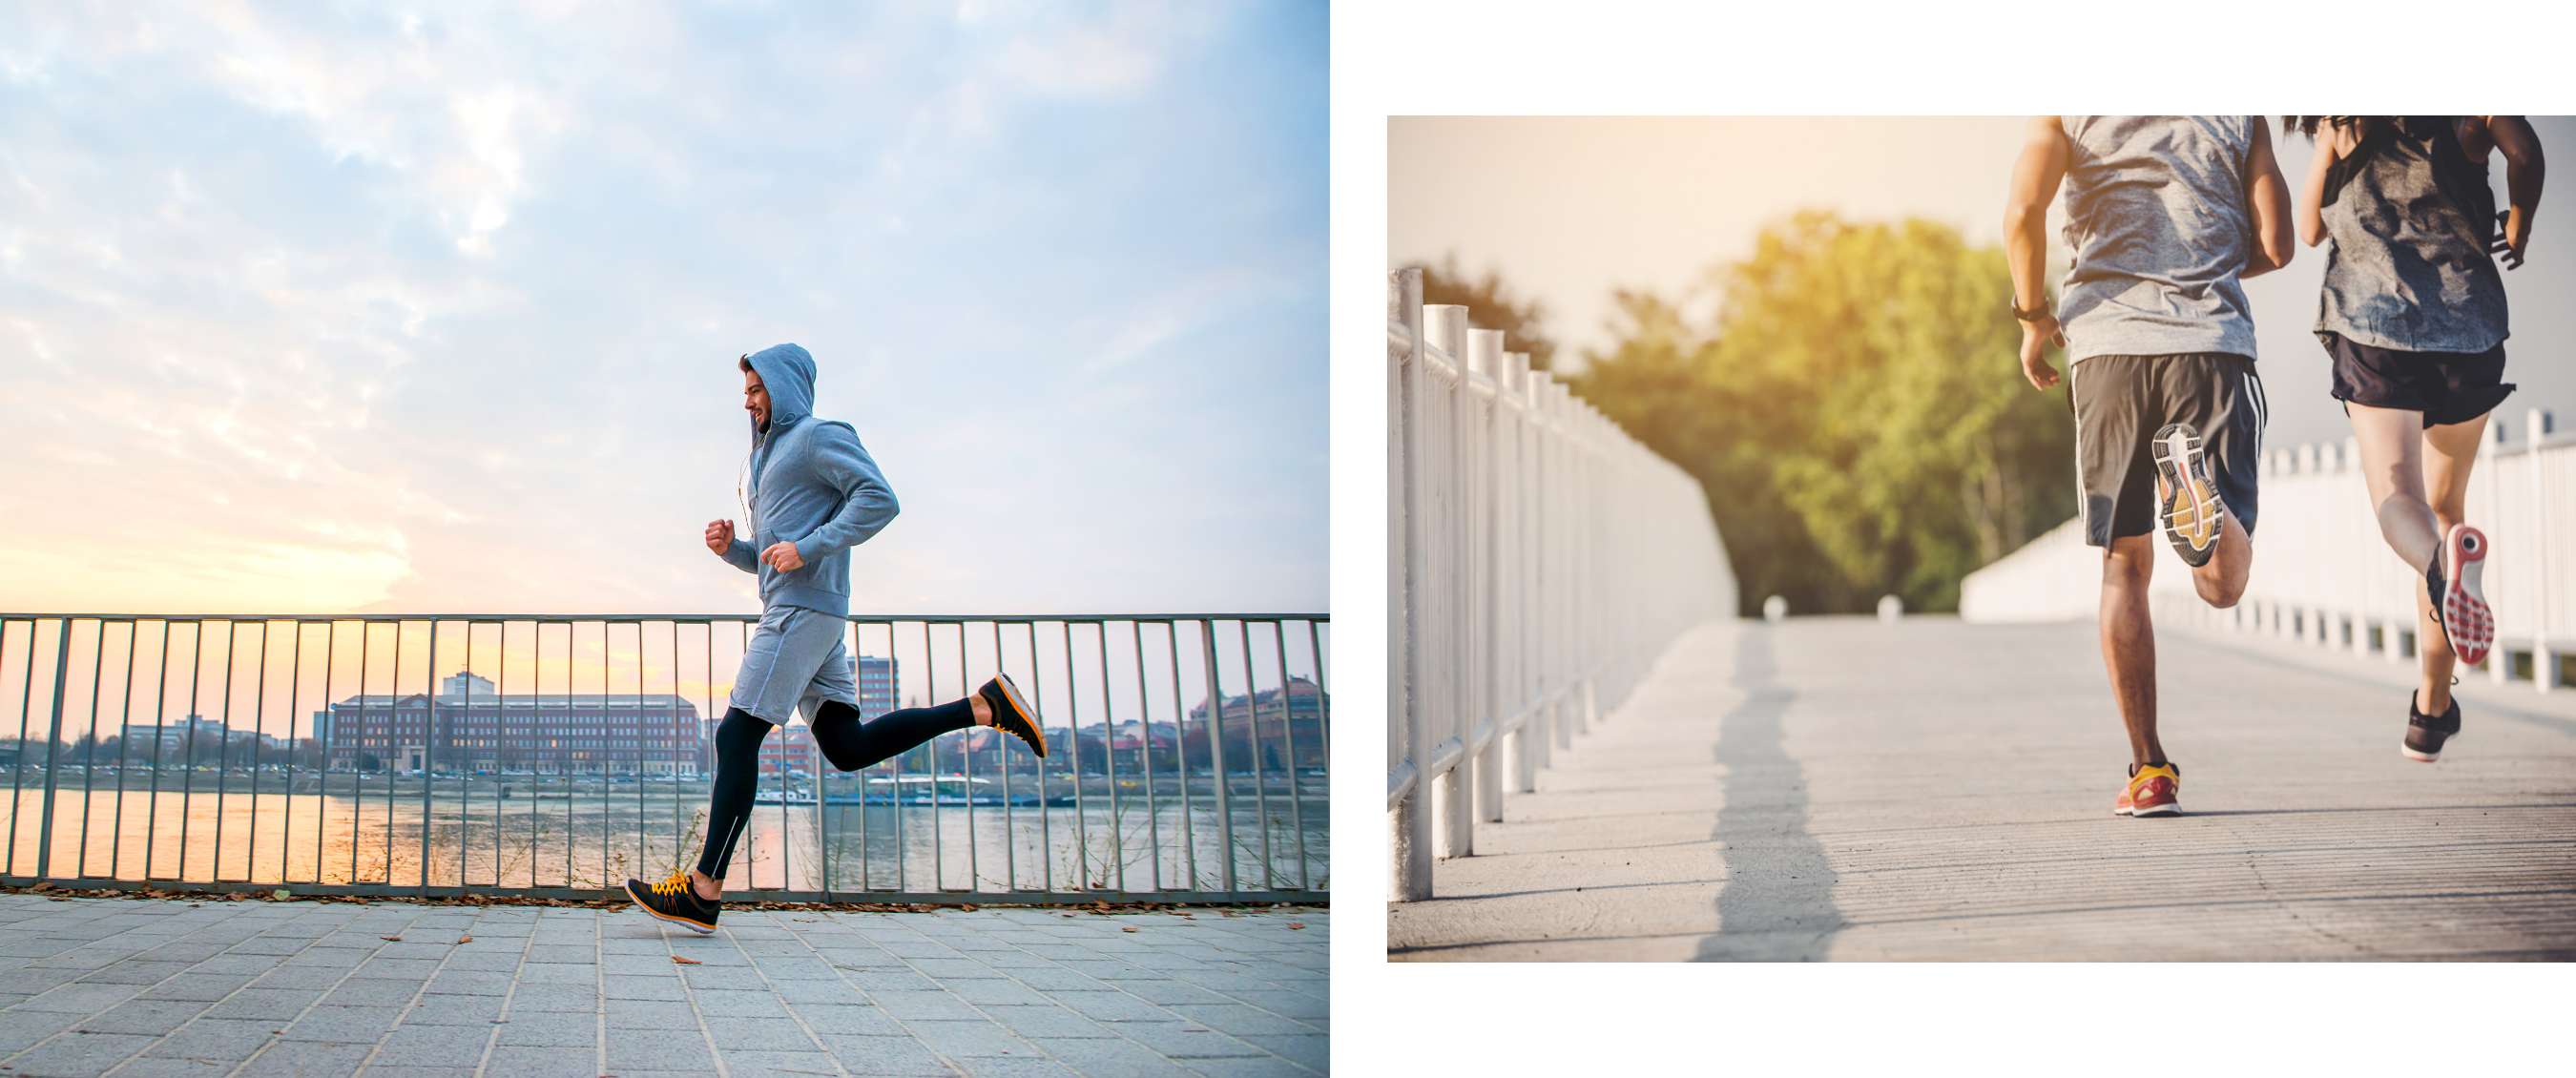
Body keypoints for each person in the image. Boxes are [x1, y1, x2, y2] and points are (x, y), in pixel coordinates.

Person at [625, 343, 1046, 933]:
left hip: (801, 614)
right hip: (804, 610)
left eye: (756, 390)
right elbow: (775, 557)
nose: (747, 403)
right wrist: (733, 550)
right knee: (847, 747)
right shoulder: (767, 458)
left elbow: (880, 499)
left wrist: (809, 547)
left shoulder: (819, 436)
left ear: (783, 386)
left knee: (736, 734)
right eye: (745, 392)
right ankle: (984, 706)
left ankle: (703, 890)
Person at [2005, 116, 2295, 818]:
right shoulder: (2237, 113)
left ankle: (2149, 770)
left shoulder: (2068, 111)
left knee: (2123, 566)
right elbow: (2278, 244)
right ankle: (2201, 495)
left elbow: (2021, 214)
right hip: (2211, 346)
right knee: (2221, 586)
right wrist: (2207, 264)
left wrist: (2033, 316)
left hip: (2108, 349)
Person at [2289, 115, 2545, 762]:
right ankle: (2431, 710)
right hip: (2468, 329)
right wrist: (2520, 220)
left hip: (2375, 329)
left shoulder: (2343, 117)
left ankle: (2441, 568)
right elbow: (2525, 152)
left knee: (2401, 501)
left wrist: (2327, 147)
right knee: (2446, 511)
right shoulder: (2474, 105)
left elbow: (2310, 228)